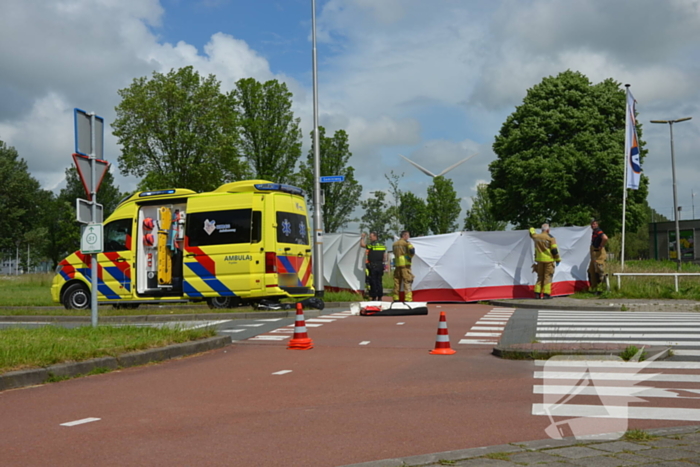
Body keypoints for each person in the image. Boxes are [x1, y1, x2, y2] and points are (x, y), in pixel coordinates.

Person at [529, 223, 561, 299]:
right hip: (549, 261)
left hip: (539, 261)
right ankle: (546, 294)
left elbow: (532, 234)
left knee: (540, 276)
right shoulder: (551, 238)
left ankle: (537, 294)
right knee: (547, 277)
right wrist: (557, 259)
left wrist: (531, 228)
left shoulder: (536, 237)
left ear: (542, 230)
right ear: (548, 230)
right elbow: (554, 250)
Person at [360, 231, 387, 301]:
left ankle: (374, 296)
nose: (370, 238)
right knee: (379, 281)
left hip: (373, 265)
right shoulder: (382, 245)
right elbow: (384, 256)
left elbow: (362, 245)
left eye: (371, 237)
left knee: (373, 281)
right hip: (380, 265)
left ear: (375, 236)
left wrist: (362, 237)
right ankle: (380, 296)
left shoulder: (372, 245)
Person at [392, 230, 415, 302]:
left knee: (397, 282)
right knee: (407, 281)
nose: (409, 237)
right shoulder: (406, 243)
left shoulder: (394, 244)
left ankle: (396, 298)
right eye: (408, 235)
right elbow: (412, 251)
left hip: (397, 265)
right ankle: (408, 298)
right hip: (405, 265)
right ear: (404, 236)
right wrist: (409, 256)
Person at [588, 219, 609, 293]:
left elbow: (605, 238)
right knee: (591, 271)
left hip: (599, 254)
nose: (593, 225)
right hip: (594, 255)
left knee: (600, 271)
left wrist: (601, 245)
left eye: (594, 224)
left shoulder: (598, 231)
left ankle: (604, 288)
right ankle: (594, 289)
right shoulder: (593, 232)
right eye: (592, 224)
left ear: (597, 225)